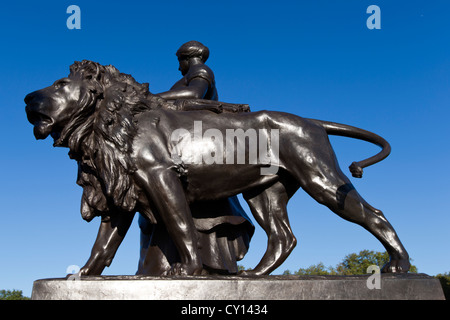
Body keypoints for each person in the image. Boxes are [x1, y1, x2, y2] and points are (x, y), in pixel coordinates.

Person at [137, 41, 254, 275]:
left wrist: (152, 98)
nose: (178, 67)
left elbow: (194, 94)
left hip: (197, 149)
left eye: (178, 61)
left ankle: (199, 264)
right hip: (185, 146)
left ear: (185, 58)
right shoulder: (191, 73)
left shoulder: (200, 71)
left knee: (196, 214)